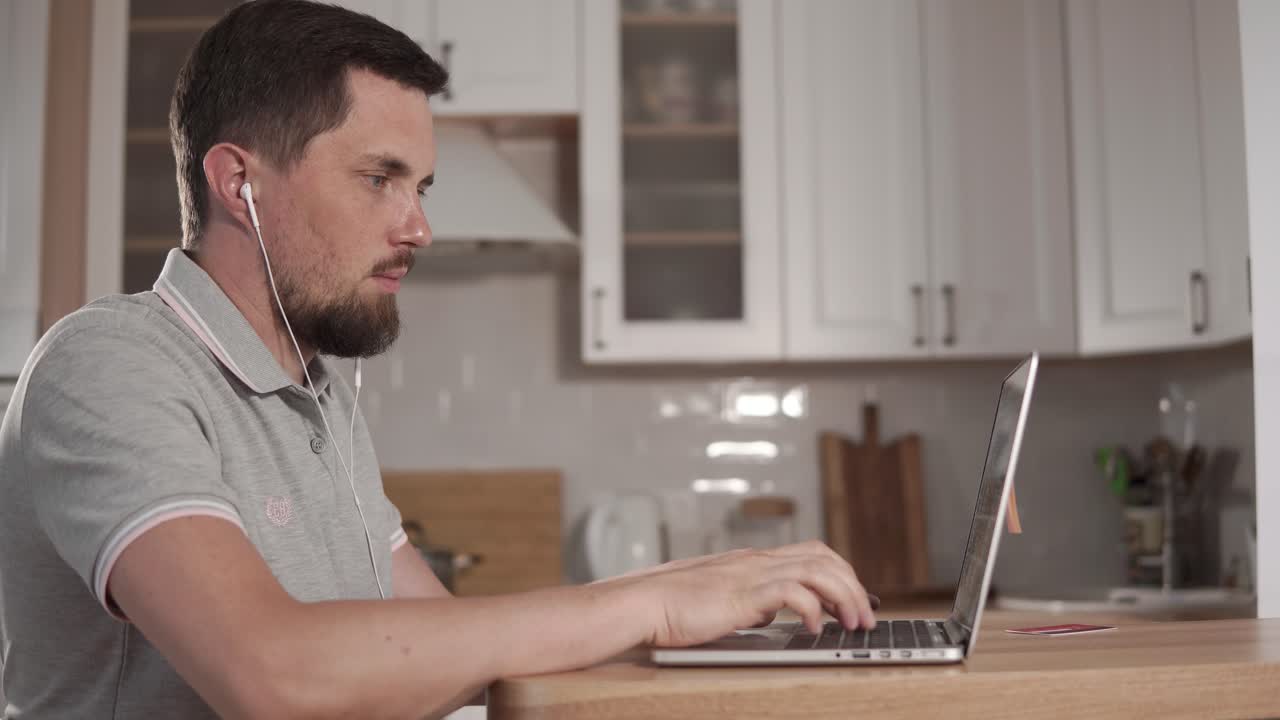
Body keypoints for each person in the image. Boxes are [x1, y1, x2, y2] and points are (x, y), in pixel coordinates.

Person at [0, 1, 877, 717]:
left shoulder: (319, 393)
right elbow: (271, 674)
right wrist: (654, 604)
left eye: (420, 188)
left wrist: (702, 585)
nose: (418, 226)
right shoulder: (110, 365)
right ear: (241, 186)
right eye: (379, 177)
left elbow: (434, 641)